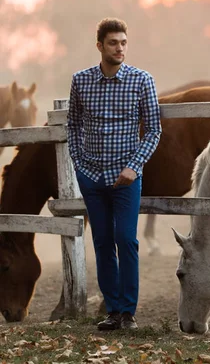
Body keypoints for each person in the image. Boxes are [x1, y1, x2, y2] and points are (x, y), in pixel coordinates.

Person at [67, 18, 162, 331]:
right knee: (103, 241)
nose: (119, 48)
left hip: (126, 177)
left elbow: (153, 131)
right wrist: (80, 164)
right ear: (100, 46)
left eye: (123, 42)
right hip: (92, 176)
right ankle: (112, 310)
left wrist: (134, 167)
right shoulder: (81, 81)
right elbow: (73, 125)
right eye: (113, 43)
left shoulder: (141, 80)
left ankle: (128, 313)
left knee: (126, 239)